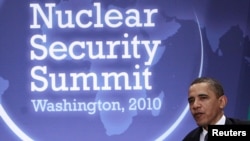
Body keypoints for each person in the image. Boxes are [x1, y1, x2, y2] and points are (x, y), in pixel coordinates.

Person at [182, 77, 250, 141]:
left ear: (221, 102)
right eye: (191, 101)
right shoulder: (188, 139)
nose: (195, 105)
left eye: (203, 98)